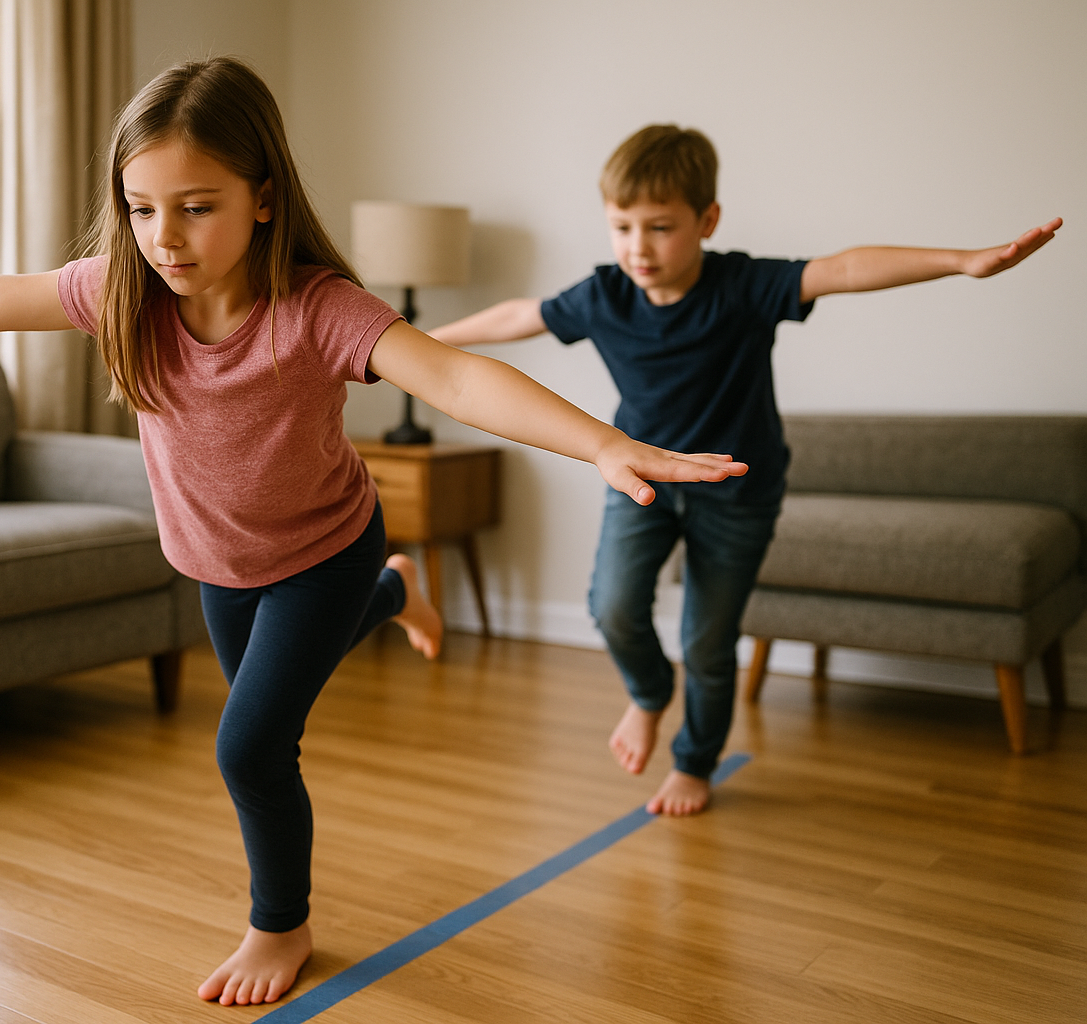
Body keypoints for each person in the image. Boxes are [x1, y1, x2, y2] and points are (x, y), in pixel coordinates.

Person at [0, 66, 748, 1007]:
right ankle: (398, 595)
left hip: (326, 550)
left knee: (252, 746)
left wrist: (604, 443)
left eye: (195, 206)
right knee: (274, 714)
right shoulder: (121, 293)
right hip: (217, 563)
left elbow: (453, 377)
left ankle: (281, 923)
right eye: (141, 208)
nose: (163, 237)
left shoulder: (316, 309)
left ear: (263, 197)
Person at [433, 124, 1062, 819]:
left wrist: (962, 261)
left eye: (661, 228)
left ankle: (694, 763)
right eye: (622, 227)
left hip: (738, 493)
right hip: (644, 479)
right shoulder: (603, 297)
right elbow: (519, 316)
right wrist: (422, 344)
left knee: (707, 641)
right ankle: (649, 694)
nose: (638, 247)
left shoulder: (743, 285)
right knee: (611, 607)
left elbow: (844, 269)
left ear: (707, 220)